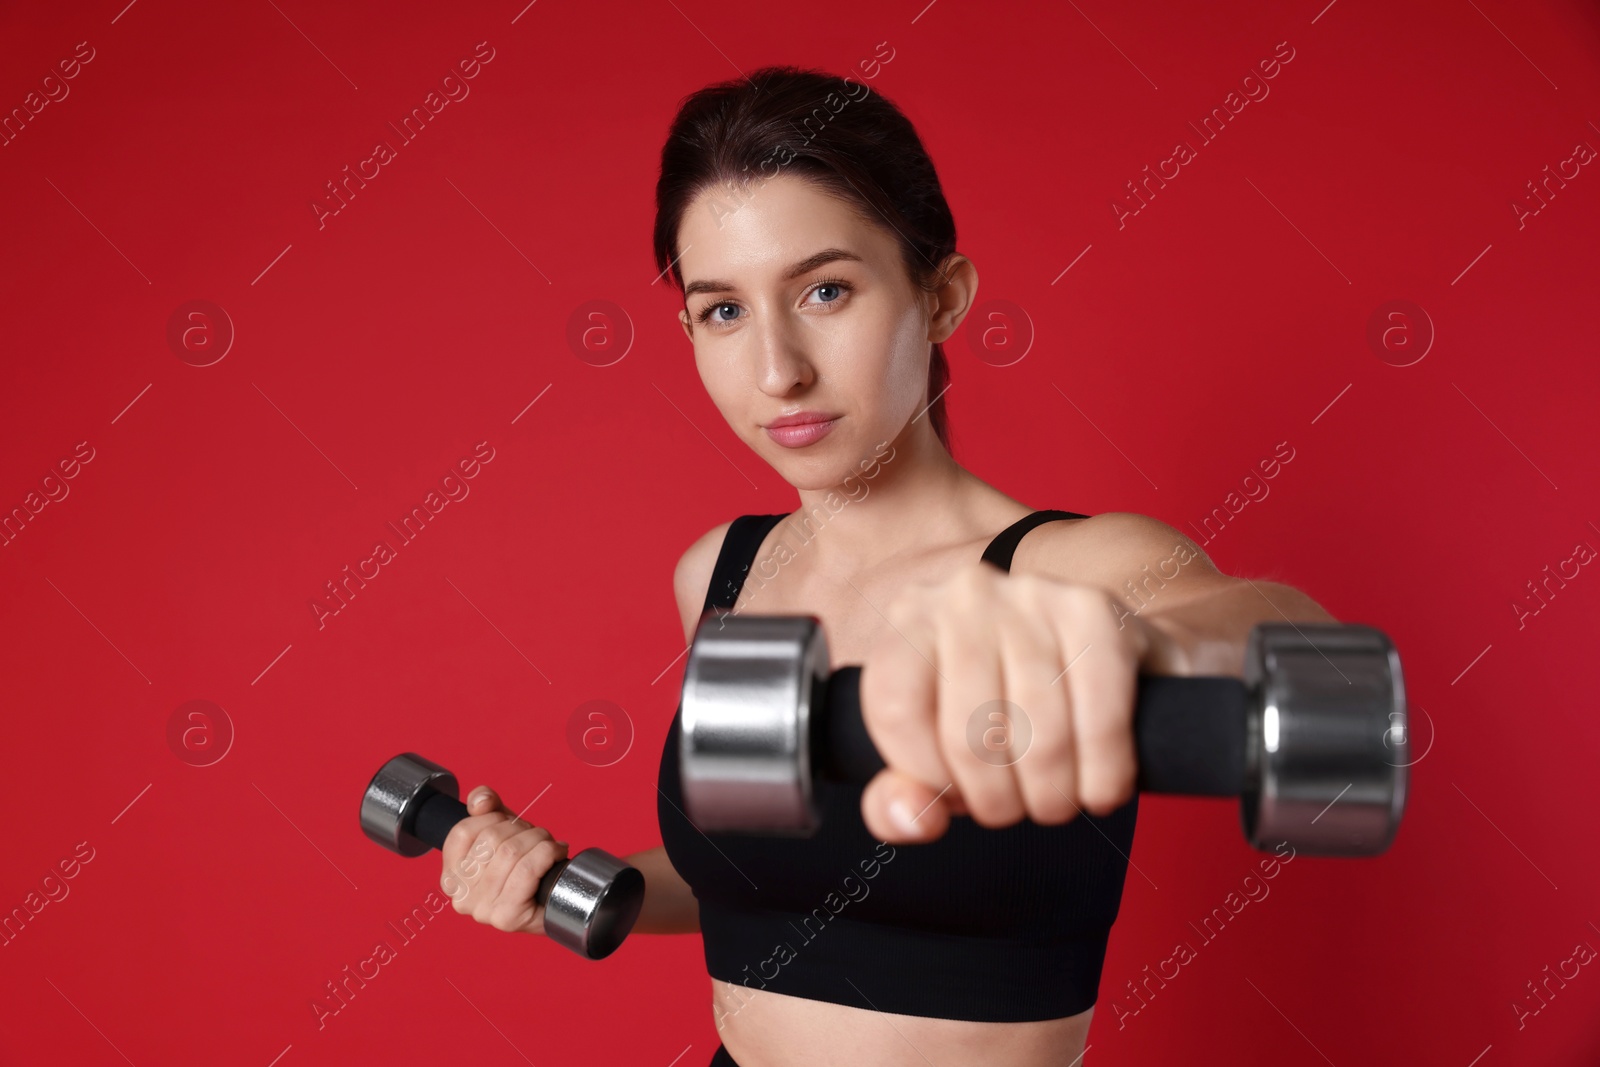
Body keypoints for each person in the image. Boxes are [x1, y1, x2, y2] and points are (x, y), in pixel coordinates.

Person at [439, 65, 1336, 1066]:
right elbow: (760, 878)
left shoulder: (1067, 571)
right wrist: (561, 882)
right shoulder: (721, 575)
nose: (777, 369)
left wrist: (1138, 644)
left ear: (941, 295)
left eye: (826, 289)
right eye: (724, 311)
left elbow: (1292, 640)